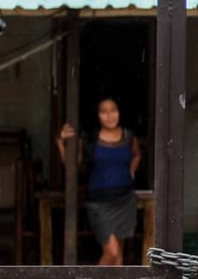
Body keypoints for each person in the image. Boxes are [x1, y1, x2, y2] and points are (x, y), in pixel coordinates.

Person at [56, 96, 141, 266]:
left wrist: (132, 169)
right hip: (100, 203)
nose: (110, 116)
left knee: (119, 255)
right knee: (112, 252)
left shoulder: (128, 136)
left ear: (119, 112)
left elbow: (137, 154)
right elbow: (72, 165)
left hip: (124, 200)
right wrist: (60, 141)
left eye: (113, 110)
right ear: (97, 115)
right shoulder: (91, 139)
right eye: (104, 112)